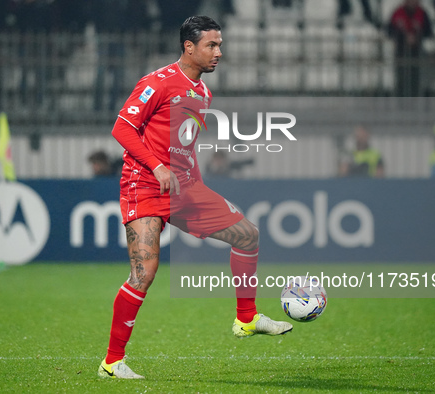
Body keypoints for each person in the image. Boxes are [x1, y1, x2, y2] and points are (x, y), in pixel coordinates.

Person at [97, 15, 292, 380]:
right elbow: (122, 127)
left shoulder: (202, 92)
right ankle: (112, 363)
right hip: (144, 184)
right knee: (145, 272)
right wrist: (157, 167)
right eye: (211, 45)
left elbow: (183, 145)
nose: (219, 52)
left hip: (184, 187)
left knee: (247, 235)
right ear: (189, 47)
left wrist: (196, 186)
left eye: (220, 44)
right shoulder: (157, 82)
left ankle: (246, 319)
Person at [387, 0, 433, 97]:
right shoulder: (398, 13)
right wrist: (404, 38)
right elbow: (389, 30)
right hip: (401, 52)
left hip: (417, 52)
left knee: (416, 78)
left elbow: (428, 32)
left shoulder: (422, 13)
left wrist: (417, 37)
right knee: (401, 78)